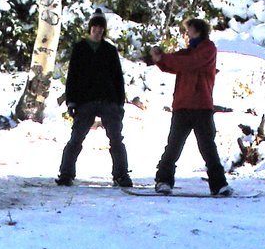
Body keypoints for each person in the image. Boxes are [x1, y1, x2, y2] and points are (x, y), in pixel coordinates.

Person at [150, 17, 230, 197]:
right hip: (182, 106)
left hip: (201, 106)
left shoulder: (208, 49)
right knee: (174, 146)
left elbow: (188, 63)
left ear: (198, 31)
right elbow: (172, 64)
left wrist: (164, 58)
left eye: (189, 30)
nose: (187, 34)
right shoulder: (188, 52)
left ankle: (218, 185)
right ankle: (163, 180)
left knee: (208, 147)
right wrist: (160, 59)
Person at [56, 12, 132, 189]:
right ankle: (66, 173)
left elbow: (117, 78)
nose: (97, 31)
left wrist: (120, 102)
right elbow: (73, 76)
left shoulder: (109, 50)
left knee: (116, 138)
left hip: (109, 99)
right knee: (76, 138)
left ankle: (121, 174)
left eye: (100, 28)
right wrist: (71, 101)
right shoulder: (80, 48)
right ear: (90, 28)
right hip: (85, 100)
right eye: (95, 28)